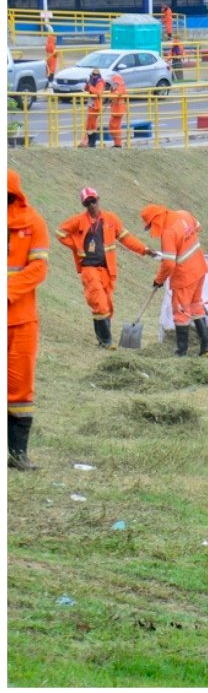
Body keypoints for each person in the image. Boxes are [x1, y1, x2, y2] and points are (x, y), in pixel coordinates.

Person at [57, 187, 156, 349]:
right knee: (100, 303)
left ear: (98, 199)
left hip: (107, 270)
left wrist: (144, 250)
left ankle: (102, 341)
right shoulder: (79, 220)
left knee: (107, 306)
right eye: (87, 203)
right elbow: (60, 233)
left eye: (93, 201)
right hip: (89, 269)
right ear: (84, 205)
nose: (91, 205)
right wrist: (77, 246)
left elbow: (127, 239)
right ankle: (107, 342)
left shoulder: (111, 219)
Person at [8, 169, 50, 470]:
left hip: (21, 320)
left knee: (21, 386)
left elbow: (38, 269)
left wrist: (6, 293)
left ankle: (17, 453)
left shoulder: (33, 222)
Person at [140, 204, 208, 358]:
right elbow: (197, 226)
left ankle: (181, 352)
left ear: (156, 220)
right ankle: (206, 347)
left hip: (185, 276)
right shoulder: (183, 213)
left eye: (151, 225)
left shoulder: (168, 232)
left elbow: (168, 263)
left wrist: (159, 280)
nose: (152, 229)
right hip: (199, 268)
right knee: (196, 306)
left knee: (181, 312)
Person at [80, 68, 105, 148]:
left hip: (96, 106)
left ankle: (92, 143)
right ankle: (89, 143)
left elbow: (98, 92)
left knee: (92, 125)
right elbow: (86, 89)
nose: (94, 76)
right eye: (93, 74)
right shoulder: (93, 82)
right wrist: (88, 84)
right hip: (92, 105)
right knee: (89, 125)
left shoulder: (100, 82)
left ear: (98, 75)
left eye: (95, 75)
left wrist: (90, 86)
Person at [108, 73, 127, 149]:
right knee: (112, 127)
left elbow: (115, 96)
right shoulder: (117, 87)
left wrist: (109, 95)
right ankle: (116, 143)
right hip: (116, 111)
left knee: (115, 127)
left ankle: (118, 144)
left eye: (113, 82)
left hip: (118, 111)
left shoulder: (120, 87)